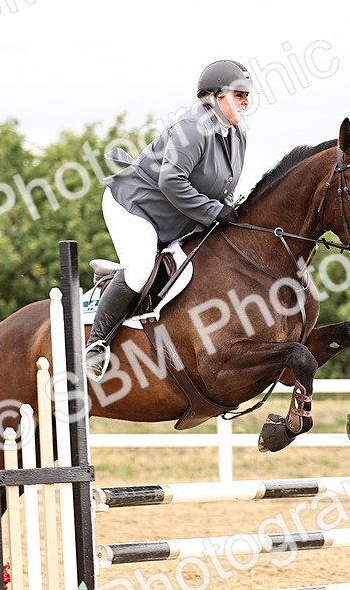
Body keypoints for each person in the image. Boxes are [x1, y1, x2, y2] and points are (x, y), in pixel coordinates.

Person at [83, 59, 253, 380]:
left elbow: (226, 189)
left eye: (247, 95)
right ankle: (96, 344)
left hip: (178, 217)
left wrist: (227, 212)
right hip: (134, 206)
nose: (245, 101)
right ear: (213, 96)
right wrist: (213, 212)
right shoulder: (192, 129)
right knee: (140, 268)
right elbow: (171, 181)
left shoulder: (238, 136)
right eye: (238, 94)